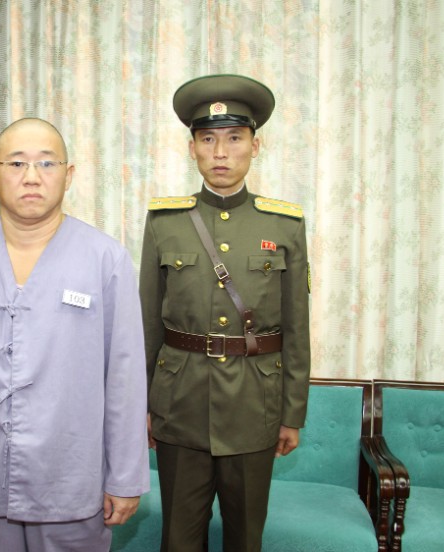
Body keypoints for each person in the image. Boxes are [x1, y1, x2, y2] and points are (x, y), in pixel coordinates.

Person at [0, 117, 150, 552]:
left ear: (69, 175)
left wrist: (124, 476)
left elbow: (124, 377)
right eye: (16, 163)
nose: (31, 177)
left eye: (47, 163)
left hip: (72, 480)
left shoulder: (105, 259)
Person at [139, 74, 312, 552]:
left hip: (255, 404)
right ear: (191, 147)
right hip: (180, 403)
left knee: (245, 538)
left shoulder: (285, 224)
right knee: (178, 538)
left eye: (234, 138)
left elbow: (297, 326)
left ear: (256, 146)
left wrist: (291, 412)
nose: (220, 152)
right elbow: (148, 322)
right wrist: (143, 404)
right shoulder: (164, 222)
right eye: (208, 139)